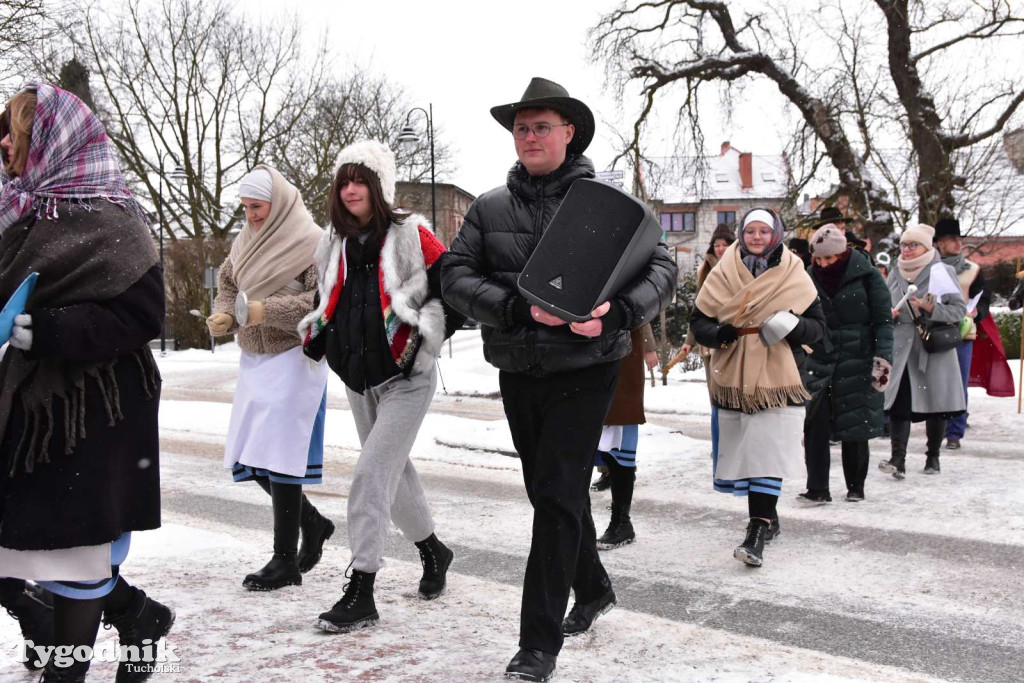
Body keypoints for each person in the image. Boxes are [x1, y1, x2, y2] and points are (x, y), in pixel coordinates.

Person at [441, 77, 676, 682]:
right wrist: (520, 308)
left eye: (541, 126)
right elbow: (455, 277)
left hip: (587, 369)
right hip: (521, 369)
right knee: (554, 491)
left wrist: (621, 314)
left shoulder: (608, 203)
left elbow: (662, 263)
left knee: (554, 497)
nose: (529, 136)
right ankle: (593, 586)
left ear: (570, 133)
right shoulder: (489, 207)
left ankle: (536, 645)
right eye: (521, 128)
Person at [0, 84, 172, 682]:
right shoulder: (14, 207)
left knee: (74, 552)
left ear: (50, 139)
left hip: (90, 412)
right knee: (26, 540)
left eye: (14, 131)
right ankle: (134, 614)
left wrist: (42, 331)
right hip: (20, 403)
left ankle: (65, 671)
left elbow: (144, 316)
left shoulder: (113, 218)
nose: (2, 142)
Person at [299, 140, 462, 634]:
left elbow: (452, 289)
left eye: (360, 180)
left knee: (371, 472)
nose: (350, 189)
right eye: (343, 181)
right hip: (357, 378)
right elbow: (325, 299)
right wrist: (320, 337)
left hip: (405, 379)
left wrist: (424, 341)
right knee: (393, 473)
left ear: (379, 187)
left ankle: (362, 588)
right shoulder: (332, 241)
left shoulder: (412, 233)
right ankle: (434, 550)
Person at [207, 166, 333, 591]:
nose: (252, 216)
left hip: (294, 357)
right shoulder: (244, 242)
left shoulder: (314, 242)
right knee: (249, 455)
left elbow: (320, 302)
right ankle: (312, 524)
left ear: (277, 204)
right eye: (245, 208)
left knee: (280, 456)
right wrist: (226, 312)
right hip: (254, 357)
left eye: (257, 207)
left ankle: (284, 562)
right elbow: (228, 283)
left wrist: (262, 310)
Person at [689, 208, 825, 568]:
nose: (757, 237)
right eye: (751, 231)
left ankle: (757, 529)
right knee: (748, 451)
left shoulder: (794, 271)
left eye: (765, 231)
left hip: (778, 371)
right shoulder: (724, 270)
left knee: (767, 448)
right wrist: (718, 334)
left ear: (776, 233)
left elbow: (817, 328)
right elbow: (699, 319)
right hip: (733, 370)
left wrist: (791, 327)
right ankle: (769, 514)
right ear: (741, 233)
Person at [799, 224, 893, 504]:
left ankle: (856, 486)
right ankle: (817, 488)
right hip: (820, 357)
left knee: (855, 423)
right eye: (819, 259)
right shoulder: (808, 276)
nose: (824, 264)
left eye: (830, 258)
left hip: (859, 357)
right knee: (814, 423)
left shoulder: (868, 276)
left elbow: (883, 322)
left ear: (843, 252)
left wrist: (883, 359)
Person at [879, 224, 966, 479]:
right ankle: (898, 459)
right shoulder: (895, 272)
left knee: (935, 403)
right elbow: (886, 303)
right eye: (904, 245)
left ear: (926, 247)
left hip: (933, 346)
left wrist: (932, 310)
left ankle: (933, 456)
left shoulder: (943, 271)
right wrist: (889, 314)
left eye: (912, 245)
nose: (906, 250)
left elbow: (959, 310)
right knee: (899, 403)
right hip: (902, 346)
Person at [593, 324, 658, 550]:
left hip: (619, 351)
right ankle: (577, 522)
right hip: (581, 356)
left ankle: (621, 522)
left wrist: (649, 347)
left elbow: (641, 310)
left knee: (620, 443)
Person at [679, 224, 736, 469]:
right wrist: (689, 342)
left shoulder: (741, 267)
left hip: (735, 341)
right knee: (716, 398)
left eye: (725, 244)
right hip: (708, 344)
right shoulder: (706, 271)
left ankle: (734, 445)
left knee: (735, 394)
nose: (721, 249)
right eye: (717, 245)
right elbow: (698, 312)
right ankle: (720, 445)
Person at [934, 218, 990, 449]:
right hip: (935, 332)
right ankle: (934, 427)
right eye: (951, 239)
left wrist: (977, 313)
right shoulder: (930, 268)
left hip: (962, 334)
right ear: (939, 243)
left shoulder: (973, 270)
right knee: (934, 383)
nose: (958, 243)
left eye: (959, 239)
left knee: (958, 384)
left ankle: (955, 432)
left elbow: (984, 300)